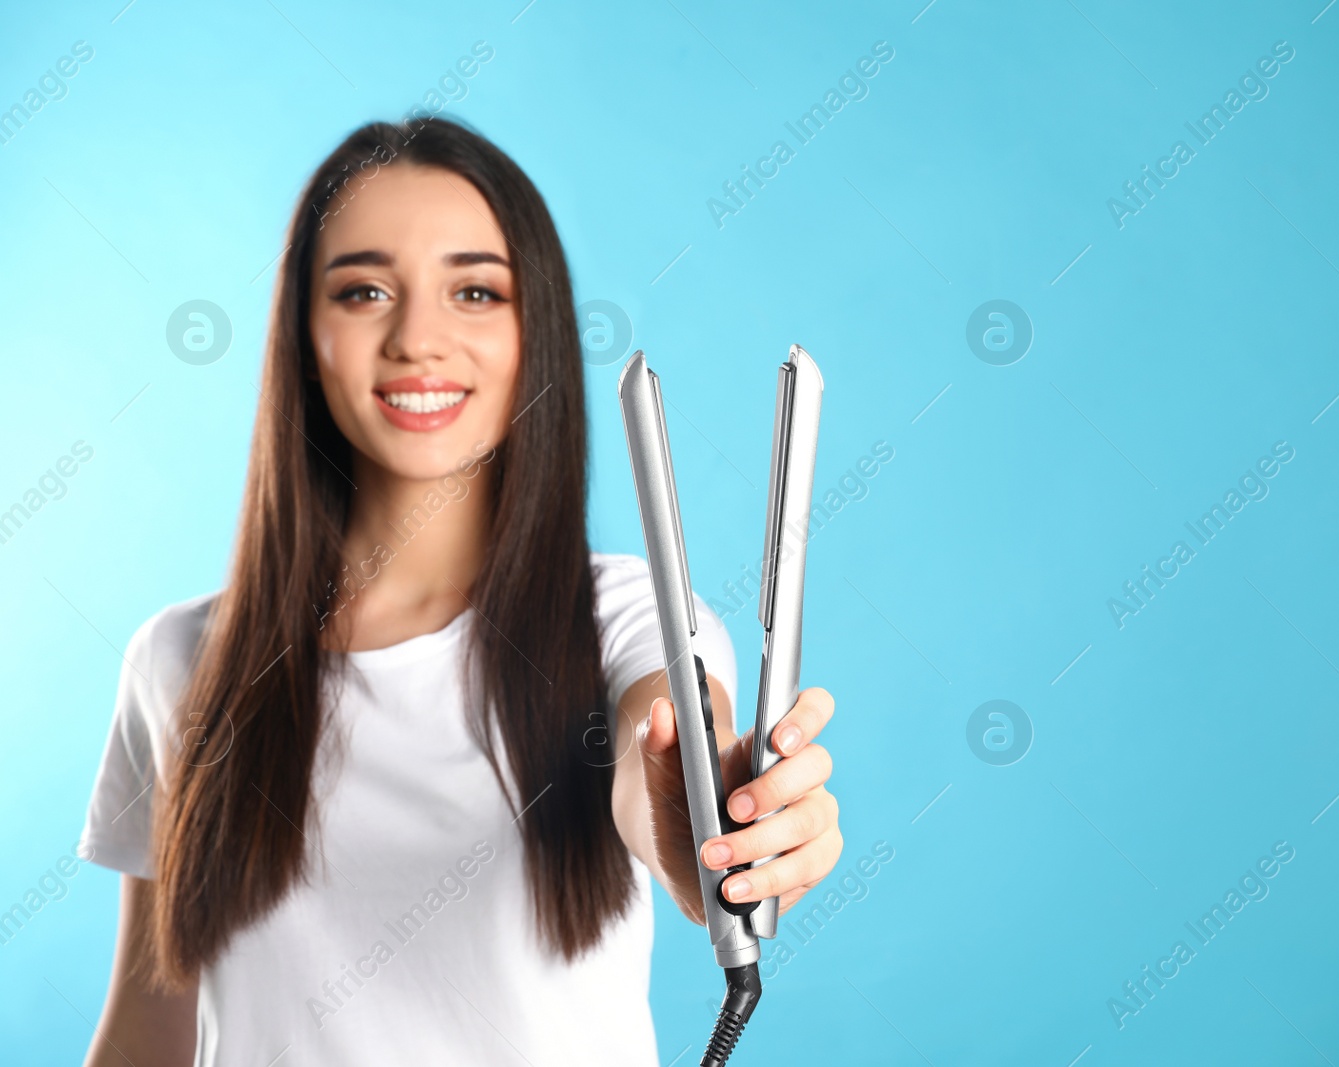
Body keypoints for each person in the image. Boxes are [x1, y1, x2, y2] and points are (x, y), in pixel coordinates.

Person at [76, 116, 842, 1065]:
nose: (417, 338)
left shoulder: (627, 619)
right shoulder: (180, 660)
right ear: (303, 333)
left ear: (538, 332)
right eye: (363, 290)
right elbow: (151, 1021)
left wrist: (716, 831)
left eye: (475, 290)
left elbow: (671, 764)